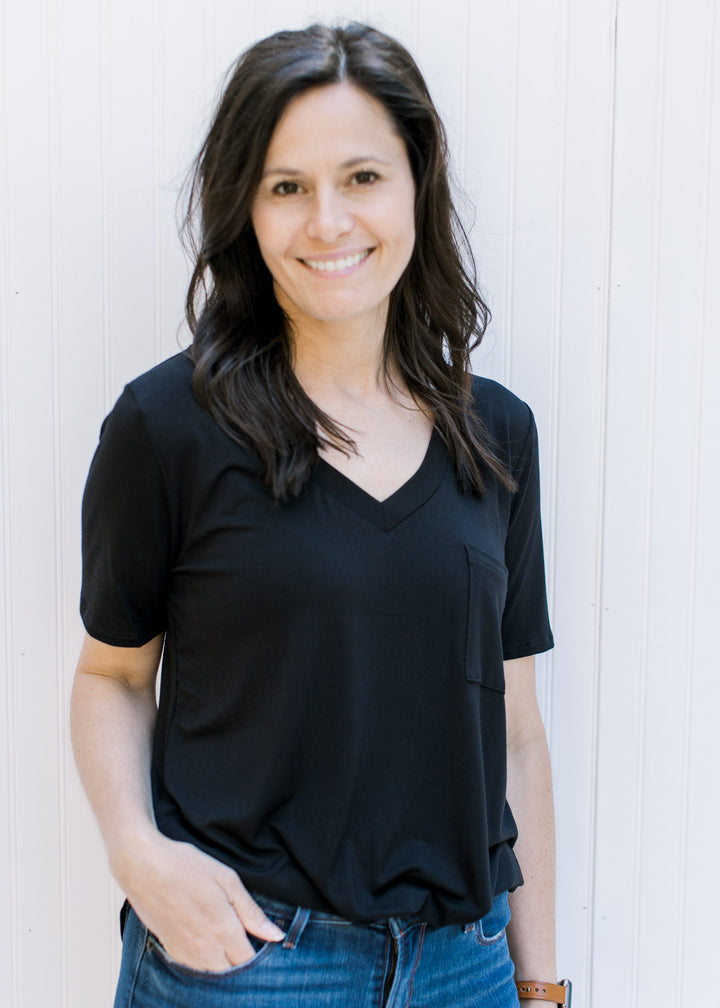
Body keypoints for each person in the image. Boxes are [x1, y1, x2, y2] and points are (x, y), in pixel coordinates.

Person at [71, 21, 569, 1008]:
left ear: (417, 185)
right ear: (246, 210)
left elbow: (516, 733)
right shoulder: (165, 428)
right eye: (287, 186)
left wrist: (541, 984)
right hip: (248, 963)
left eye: (362, 177)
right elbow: (112, 677)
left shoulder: (498, 434)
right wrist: (137, 855)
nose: (328, 221)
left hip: (464, 966)